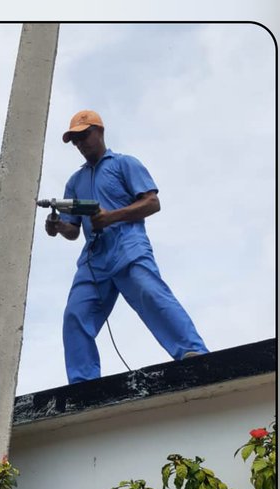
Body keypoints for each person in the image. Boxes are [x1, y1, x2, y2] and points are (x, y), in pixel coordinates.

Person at [45, 110, 208, 384]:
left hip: (128, 245)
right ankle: (82, 383)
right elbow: (73, 231)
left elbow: (152, 203)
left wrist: (111, 216)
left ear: (100, 131)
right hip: (93, 259)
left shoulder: (124, 164)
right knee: (75, 314)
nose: (80, 144)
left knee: (151, 293)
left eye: (84, 135)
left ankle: (193, 353)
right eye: (75, 140)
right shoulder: (75, 182)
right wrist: (57, 226)